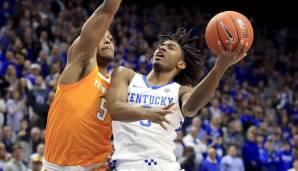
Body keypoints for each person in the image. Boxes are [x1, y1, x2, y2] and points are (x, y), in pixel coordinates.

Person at [107, 28, 249, 170]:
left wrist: (219, 68)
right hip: (128, 165)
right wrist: (149, 113)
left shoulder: (181, 91)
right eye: (160, 46)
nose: (162, 48)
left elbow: (191, 108)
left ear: (181, 64)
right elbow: (115, 109)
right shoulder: (126, 75)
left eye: (170, 48)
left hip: (166, 166)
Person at [43, 0, 122, 170]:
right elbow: (106, 12)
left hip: (96, 165)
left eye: (111, 39)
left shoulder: (117, 85)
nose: (108, 41)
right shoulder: (82, 64)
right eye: (103, 37)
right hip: (58, 165)